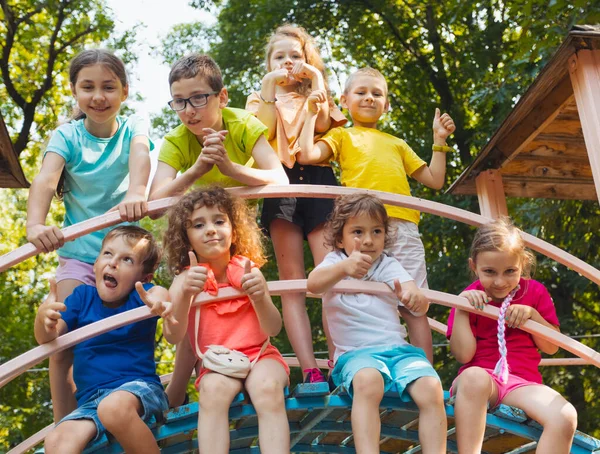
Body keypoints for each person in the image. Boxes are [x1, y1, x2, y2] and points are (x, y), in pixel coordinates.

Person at [26, 49, 153, 421]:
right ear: (74, 92)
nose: (98, 96)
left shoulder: (134, 127)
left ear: (124, 92)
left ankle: (136, 403)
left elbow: (141, 157)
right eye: (88, 87)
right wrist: (36, 224)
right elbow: (47, 179)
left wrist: (136, 193)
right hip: (80, 257)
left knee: (134, 329)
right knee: (63, 340)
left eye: (108, 87)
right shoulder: (67, 135)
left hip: (126, 258)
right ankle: (64, 424)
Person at [299, 67, 456, 363]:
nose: (369, 98)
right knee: (340, 291)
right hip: (358, 230)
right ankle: (338, 366)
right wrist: (311, 115)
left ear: (387, 104)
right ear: (344, 99)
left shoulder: (397, 143)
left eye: (377, 94)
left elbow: (435, 179)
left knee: (415, 303)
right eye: (361, 92)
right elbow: (306, 155)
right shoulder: (341, 136)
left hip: (402, 226)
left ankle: (425, 372)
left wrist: (439, 140)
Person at [245, 24, 347, 383]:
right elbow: (264, 129)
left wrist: (316, 78)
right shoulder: (259, 98)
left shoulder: (317, 94)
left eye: (296, 56)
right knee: (293, 283)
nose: (288, 62)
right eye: (279, 56)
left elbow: (321, 124)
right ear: (269, 63)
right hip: (280, 186)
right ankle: (310, 368)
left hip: (319, 183)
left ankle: (340, 361)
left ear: (307, 62)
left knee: (330, 277)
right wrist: (270, 88)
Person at [307, 193, 447, 453]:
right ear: (340, 238)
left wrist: (415, 297)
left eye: (377, 231)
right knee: (368, 382)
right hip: (355, 356)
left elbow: (411, 290)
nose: (369, 240)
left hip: (398, 351)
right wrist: (344, 268)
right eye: (358, 231)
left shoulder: (386, 263)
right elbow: (314, 284)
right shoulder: (335, 262)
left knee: (431, 388)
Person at [154, 187, 290, 453]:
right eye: (198, 224)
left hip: (261, 356)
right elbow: (173, 336)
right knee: (212, 391)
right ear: (187, 238)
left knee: (268, 387)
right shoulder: (184, 280)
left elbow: (273, 328)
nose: (211, 230)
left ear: (234, 230)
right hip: (216, 363)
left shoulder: (249, 270)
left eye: (219, 221)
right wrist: (184, 296)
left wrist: (260, 296)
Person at [447, 218, 578, 453]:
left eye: (510, 271)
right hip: (481, 381)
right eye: (489, 272)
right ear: (473, 266)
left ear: (523, 264)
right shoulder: (468, 296)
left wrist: (533, 316)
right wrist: (461, 310)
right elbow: (464, 355)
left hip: (522, 385)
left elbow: (551, 347)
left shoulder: (535, 292)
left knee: (565, 416)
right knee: (473, 377)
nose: (499, 282)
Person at [35, 226, 170, 454]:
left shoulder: (143, 295)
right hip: (91, 403)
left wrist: (160, 302)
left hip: (139, 390)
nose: (113, 263)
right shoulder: (81, 297)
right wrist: (43, 320)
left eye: (127, 259)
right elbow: (49, 337)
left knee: (113, 408)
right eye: (107, 254)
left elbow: (160, 296)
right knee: (56, 441)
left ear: (143, 277)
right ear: (95, 264)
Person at [148, 53, 288, 201]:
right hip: (204, 219)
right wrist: (196, 170)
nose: (189, 110)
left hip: (244, 218)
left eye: (198, 97)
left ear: (222, 98)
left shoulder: (245, 125)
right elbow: (154, 205)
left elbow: (280, 179)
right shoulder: (175, 141)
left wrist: (231, 169)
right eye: (179, 101)